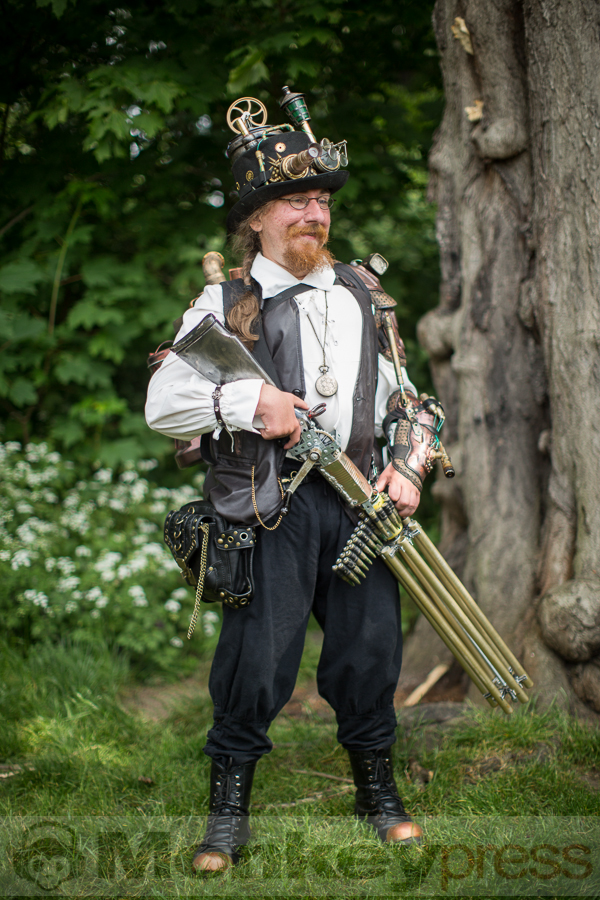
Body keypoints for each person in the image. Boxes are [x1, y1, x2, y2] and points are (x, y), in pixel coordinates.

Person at [145, 90, 426, 873]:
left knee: (369, 656)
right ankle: (227, 816)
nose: (312, 212)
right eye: (293, 200)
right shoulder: (224, 303)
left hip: (365, 501)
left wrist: (407, 464)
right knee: (255, 663)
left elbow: (407, 396)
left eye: (319, 199)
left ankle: (378, 795)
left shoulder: (367, 294)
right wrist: (251, 399)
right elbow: (163, 402)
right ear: (256, 218)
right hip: (271, 510)